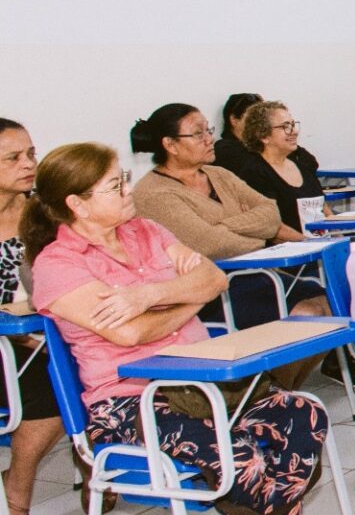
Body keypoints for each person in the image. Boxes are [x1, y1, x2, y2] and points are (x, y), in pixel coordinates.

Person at [24, 142, 329, 515]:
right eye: (115, 185)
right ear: (77, 204)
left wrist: (149, 295)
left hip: (203, 383)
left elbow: (213, 279)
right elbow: (128, 335)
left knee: (304, 414)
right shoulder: (57, 266)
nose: (129, 190)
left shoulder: (144, 230)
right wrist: (184, 302)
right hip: (129, 403)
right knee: (240, 453)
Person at [129, 104, 329, 386]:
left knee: (330, 305)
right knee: (307, 314)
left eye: (208, 131)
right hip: (210, 289)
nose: (209, 139)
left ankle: (280, 387)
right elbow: (209, 245)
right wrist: (256, 233)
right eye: (197, 134)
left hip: (256, 275)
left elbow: (270, 213)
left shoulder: (218, 174)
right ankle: (269, 389)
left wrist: (229, 226)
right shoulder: (154, 193)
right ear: (170, 144)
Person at [1, 120, 113, 515]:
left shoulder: (45, 211)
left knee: (94, 360)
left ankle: (94, 462)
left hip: (49, 330)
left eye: (30, 153)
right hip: (9, 343)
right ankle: (16, 491)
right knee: (51, 382)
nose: (29, 164)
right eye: (14, 158)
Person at [234, 101, 332, 235]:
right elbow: (270, 227)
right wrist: (309, 243)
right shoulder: (255, 173)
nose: (294, 131)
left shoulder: (302, 166)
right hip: (293, 249)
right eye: (285, 126)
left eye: (293, 124)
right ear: (263, 136)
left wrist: (340, 237)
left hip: (322, 245)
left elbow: (323, 208)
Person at [213, 92, 318, 177]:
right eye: (251, 118)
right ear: (234, 120)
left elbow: (311, 162)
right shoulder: (224, 149)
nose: (258, 122)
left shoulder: (269, 144)